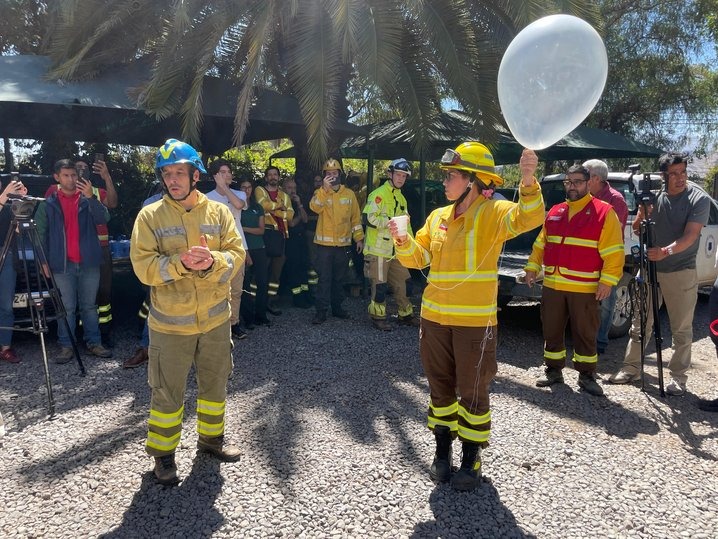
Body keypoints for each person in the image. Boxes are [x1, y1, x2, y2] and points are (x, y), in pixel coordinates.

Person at [389, 142, 544, 491]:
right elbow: (418, 259)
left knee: (474, 392)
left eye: (451, 175)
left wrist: (529, 179)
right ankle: (442, 453)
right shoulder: (438, 217)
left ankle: (471, 458)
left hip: (475, 324)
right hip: (434, 320)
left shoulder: (495, 211)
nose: (445, 181)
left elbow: (531, 216)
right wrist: (401, 240)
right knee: (439, 387)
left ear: (473, 180)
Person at [130, 139, 245, 486]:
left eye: (180, 172)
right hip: (170, 327)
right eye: (167, 174)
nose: (173, 179)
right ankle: (163, 457)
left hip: (214, 321)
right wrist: (179, 263)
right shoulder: (150, 216)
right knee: (167, 392)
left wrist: (214, 261)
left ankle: (211, 441)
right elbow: (143, 266)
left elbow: (236, 254)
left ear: (196, 175)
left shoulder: (219, 212)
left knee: (215, 384)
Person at [609, 152, 711, 395]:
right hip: (650, 270)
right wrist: (643, 215)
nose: (679, 178)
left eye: (683, 172)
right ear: (664, 176)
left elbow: (691, 235)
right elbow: (636, 230)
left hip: (680, 271)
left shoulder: (698, 199)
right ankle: (631, 368)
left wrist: (666, 251)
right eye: (673, 173)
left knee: (681, 329)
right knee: (640, 321)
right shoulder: (655, 198)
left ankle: (678, 378)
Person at [524, 164, 624, 397]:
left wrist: (607, 281)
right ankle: (553, 371)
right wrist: (532, 267)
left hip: (584, 287)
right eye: (568, 182)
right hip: (553, 285)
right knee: (551, 330)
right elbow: (541, 244)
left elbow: (614, 251)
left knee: (585, 333)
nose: (572, 186)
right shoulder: (556, 211)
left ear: (589, 183)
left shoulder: (603, 212)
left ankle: (587, 375)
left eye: (577, 182)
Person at [36, 159, 112, 363]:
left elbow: (103, 219)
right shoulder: (48, 204)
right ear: (57, 177)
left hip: (89, 263)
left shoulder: (87, 199)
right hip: (61, 264)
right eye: (66, 175)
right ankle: (66, 346)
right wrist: (43, 262)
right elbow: (39, 235)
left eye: (73, 175)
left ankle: (94, 343)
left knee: (89, 306)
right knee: (66, 308)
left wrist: (91, 198)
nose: (71, 179)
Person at [362, 158, 418, 331]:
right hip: (378, 250)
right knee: (379, 286)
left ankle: (406, 315)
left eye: (404, 176)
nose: (401, 179)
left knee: (405, 282)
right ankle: (378, 318)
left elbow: (406, 224)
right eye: (398, 175)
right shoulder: (378, 194)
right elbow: (368, 218)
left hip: (396, 251)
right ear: (390, 174)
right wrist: (389, 222)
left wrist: (413, 244)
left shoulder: (401, 198)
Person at [310, 158, 364, 324]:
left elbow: (355, 219)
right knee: (324, 279)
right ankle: (321, 311)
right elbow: (314, 207)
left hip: (343, 246)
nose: (332, 176)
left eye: (334, 173)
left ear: (340, 174)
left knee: (339, 279)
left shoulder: (349, 195)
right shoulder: (320, 193)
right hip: (324, 247)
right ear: (324, 176)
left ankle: (337, 308)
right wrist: (324, 190)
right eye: (328, 174)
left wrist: (359, 239)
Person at [583, 159, 628, 354]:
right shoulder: (583, 196)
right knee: (585, 303)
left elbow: (614, 233)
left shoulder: (615, 200)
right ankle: (585, 339)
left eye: (586, 175)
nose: (582, 179)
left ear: (596, 178)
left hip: (607, 262)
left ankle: (599, 343)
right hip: (585, 259)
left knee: (607, 305)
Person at [206, 158, 249, 340]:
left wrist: (224, 189)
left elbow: (239, 206)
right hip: (217, 249)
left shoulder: (239, 194)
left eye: (229, 172)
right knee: (217, 288)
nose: (227, 175)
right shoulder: (207, 198)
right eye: (222, 172)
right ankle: (217, 324)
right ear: (215, 175)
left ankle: (234, 323)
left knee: (236, 289)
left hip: (238, 247)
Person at [255, 166, 294, 315]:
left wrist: (273, 210)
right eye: (270, 175)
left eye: (275, 175)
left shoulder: (284, 195)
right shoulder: (260, 190)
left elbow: (290, 215)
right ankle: (255, 301)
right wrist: (280, 207)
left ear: (278, 177)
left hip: (280, 237)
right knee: (261, 270)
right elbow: (262, 205)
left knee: (276, 273)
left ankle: (271, 301)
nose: (273, 177)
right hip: (265, 235)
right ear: (266, 178)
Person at [0, 176, 28, 364]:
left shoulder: (8, 202)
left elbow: (20, 231)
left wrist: (21, 202)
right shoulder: (3, 199)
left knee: (6, 305)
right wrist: (3, 197)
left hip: (7, 252)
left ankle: (5, 347)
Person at [239, 178, 270, 327]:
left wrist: (243, 228)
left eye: (249, 187)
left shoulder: (257, 207)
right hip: (243, 249)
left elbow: (261, 230)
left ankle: (261, 315)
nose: (246, 190)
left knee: (262, 282)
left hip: (259, 248)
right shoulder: (236, 207)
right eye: (243, 187)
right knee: (245, 285)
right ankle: (248, 318)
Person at [282, 176, 312, 308]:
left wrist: (299, 204)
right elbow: (292, 223)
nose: (292, 191)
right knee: (294, 269)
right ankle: (297, 298)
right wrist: (300, 216)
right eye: (289, 188)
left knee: (304, 267)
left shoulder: (296, 202)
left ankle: (306, 295)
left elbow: (305, 219)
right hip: (290, 240)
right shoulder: (282, 202)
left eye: (294, 188)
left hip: (302, 239)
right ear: (284, 189)